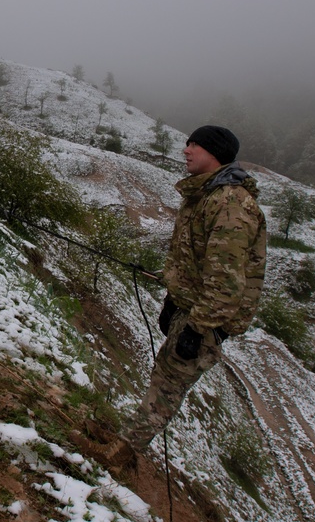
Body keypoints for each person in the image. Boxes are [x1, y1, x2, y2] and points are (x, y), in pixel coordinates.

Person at [118, 126, 267, 462]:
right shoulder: (205, 196)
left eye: (194, 145)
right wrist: (172, 292)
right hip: (192, 308)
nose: (186, 150)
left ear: (214, 152)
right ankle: (123, 443)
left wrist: (196, 329)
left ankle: (120, 453)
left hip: (205, 320)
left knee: (166, 389)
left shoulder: (231, 205)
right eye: (187, 144)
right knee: (162, 379)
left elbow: (226, 284)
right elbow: (195, 260)